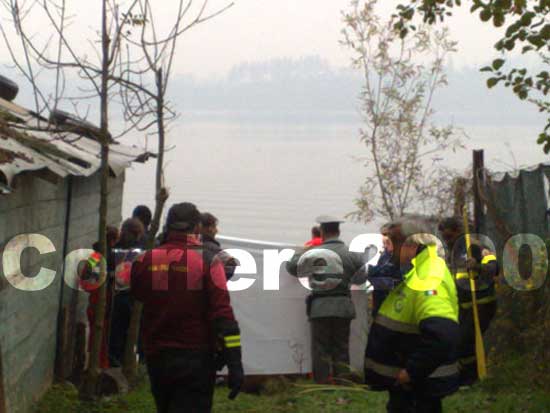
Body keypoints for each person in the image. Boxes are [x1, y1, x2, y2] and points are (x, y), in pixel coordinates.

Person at [131, 202, 244, 412]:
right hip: (196, 357)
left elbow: (138, 295)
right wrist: (235, 362)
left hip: (157, 357)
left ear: (168, 226)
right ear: (197, 228)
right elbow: (223, 315)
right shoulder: (209, 261)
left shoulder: (144, 261)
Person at [364, 217, 460, 413]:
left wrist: (411, 372)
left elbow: (442, 334)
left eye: (394, 242)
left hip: (418, 386)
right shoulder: (415, 272)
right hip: (412, 386)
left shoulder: (429, 276)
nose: (390, 250)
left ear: (413, 245)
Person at [286, 215, 368, 384]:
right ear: (338, 231)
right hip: (343, 307)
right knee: (342, 349)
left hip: (320, 307)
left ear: (322, 232)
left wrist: (305, 249)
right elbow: (361, 279)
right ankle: (344, 382)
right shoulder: (352, 255)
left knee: (320, 349)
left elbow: (292, 267)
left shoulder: (313, 253)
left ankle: (322, 384)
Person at [438, 216, 498, 386]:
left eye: (449, 236)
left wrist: (479, 267)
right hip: (463, 307)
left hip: (481, 304)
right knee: (459, 342)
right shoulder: (452, 252)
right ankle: (470, 376)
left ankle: (471, 379)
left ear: (458, 231)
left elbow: (494, 266)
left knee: (465, 341)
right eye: (444, 237)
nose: (446, 241)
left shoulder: (476, 246)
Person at [79, 225, 120, 369]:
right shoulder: (114, 258)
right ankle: (101, 367)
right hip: (106, 303)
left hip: (94, 303)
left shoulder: (95, 257)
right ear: (114, 240)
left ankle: (93, 366)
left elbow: (84, 282)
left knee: (95, 338)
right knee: (104, 339)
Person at [108, 218, 145, 367]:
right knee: (134, 334)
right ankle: (134, 364)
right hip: (133, 299)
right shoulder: (143, 251)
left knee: (117, 335)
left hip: (118, 298)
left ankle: (116, 363)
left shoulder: (112, 250)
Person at [367, 224, 400, 317]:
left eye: (387, 235)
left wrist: (373, 277)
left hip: (392, 303)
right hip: (379, 301)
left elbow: (397, 280)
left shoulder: (400, 257)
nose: (384, 238)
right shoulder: (384, 254)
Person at [200, 212, 239, 280]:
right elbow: (231, 264)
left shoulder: (189, 245)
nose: (216, 231)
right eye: (214, 227)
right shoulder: (212, 248)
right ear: (210, 229)